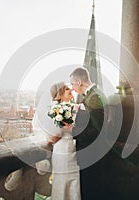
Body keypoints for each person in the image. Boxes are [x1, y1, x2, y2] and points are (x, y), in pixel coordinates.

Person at [69, 67, 107, 199]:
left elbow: (96, 129)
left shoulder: (94, 98)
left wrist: (73, 132)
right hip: (94, 151)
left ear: (79, 82)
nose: (72, 88)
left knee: (90, 190)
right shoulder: (94, 94)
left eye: (72, 84)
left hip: (92, 152)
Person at [47, 82, 81, 200]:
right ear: (60, 95)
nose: (71, 89)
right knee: (62, 184)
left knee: (75, 184)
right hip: (62, 152)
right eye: (67, 89)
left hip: (76, 152)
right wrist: (62, 129)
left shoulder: (77, 107)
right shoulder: (54, 111)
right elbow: (51, 138)